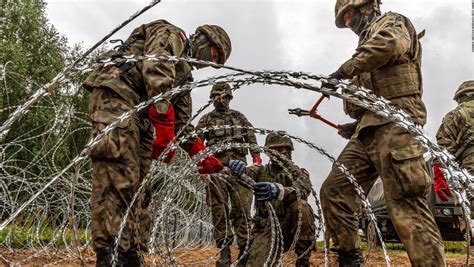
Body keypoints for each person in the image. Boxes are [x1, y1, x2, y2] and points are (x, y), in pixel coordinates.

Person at [82, 20, 232, 266]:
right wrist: (162, 119)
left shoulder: (184, 77)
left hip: (142, 117)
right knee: (119, 173)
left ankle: (129, 252)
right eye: (213, 56)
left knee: (141, 186)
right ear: (205, 41)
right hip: (117, 95)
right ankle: (107, 253)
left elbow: (182, 123)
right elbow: (157, 64)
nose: (208, 63)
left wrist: (201, 154)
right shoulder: (172, 34)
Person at [319, 0, 446, 265]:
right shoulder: (363, 51)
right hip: (367, 131)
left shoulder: (392, 24)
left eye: (348, 16)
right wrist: (356, 125)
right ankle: (349, 258)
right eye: (343, 20)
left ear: (366, 7)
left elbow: (389, 45)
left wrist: (343, 71)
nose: (348, 24)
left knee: (404, 200)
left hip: (396, 125)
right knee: (335, 190)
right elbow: (370, 98)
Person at [195, 82, 262, 266]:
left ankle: (244, 249)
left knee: (242, 209)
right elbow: (197, 146)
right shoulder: (206, 120)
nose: (221, 100)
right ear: (213, 98)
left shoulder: (239, 117)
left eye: (225, 97)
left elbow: (252, 141)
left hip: (239, 169)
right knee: (219, 210)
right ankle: (224, 251)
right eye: (218, 96)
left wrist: (256, 163)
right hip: (216, 170)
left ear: (229, 98)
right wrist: (201, 169)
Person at [228, 132, 315, 267]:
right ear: (269, 152)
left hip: (290, 229)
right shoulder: (260, 171)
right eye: (278, 149)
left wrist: (281, 191)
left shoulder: (297, 173)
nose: (283, 151)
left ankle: (303, 259)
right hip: (266, 229)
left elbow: (304, 187)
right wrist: (237, 168)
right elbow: (245, 175)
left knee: (302, 206)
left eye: (286, 148)